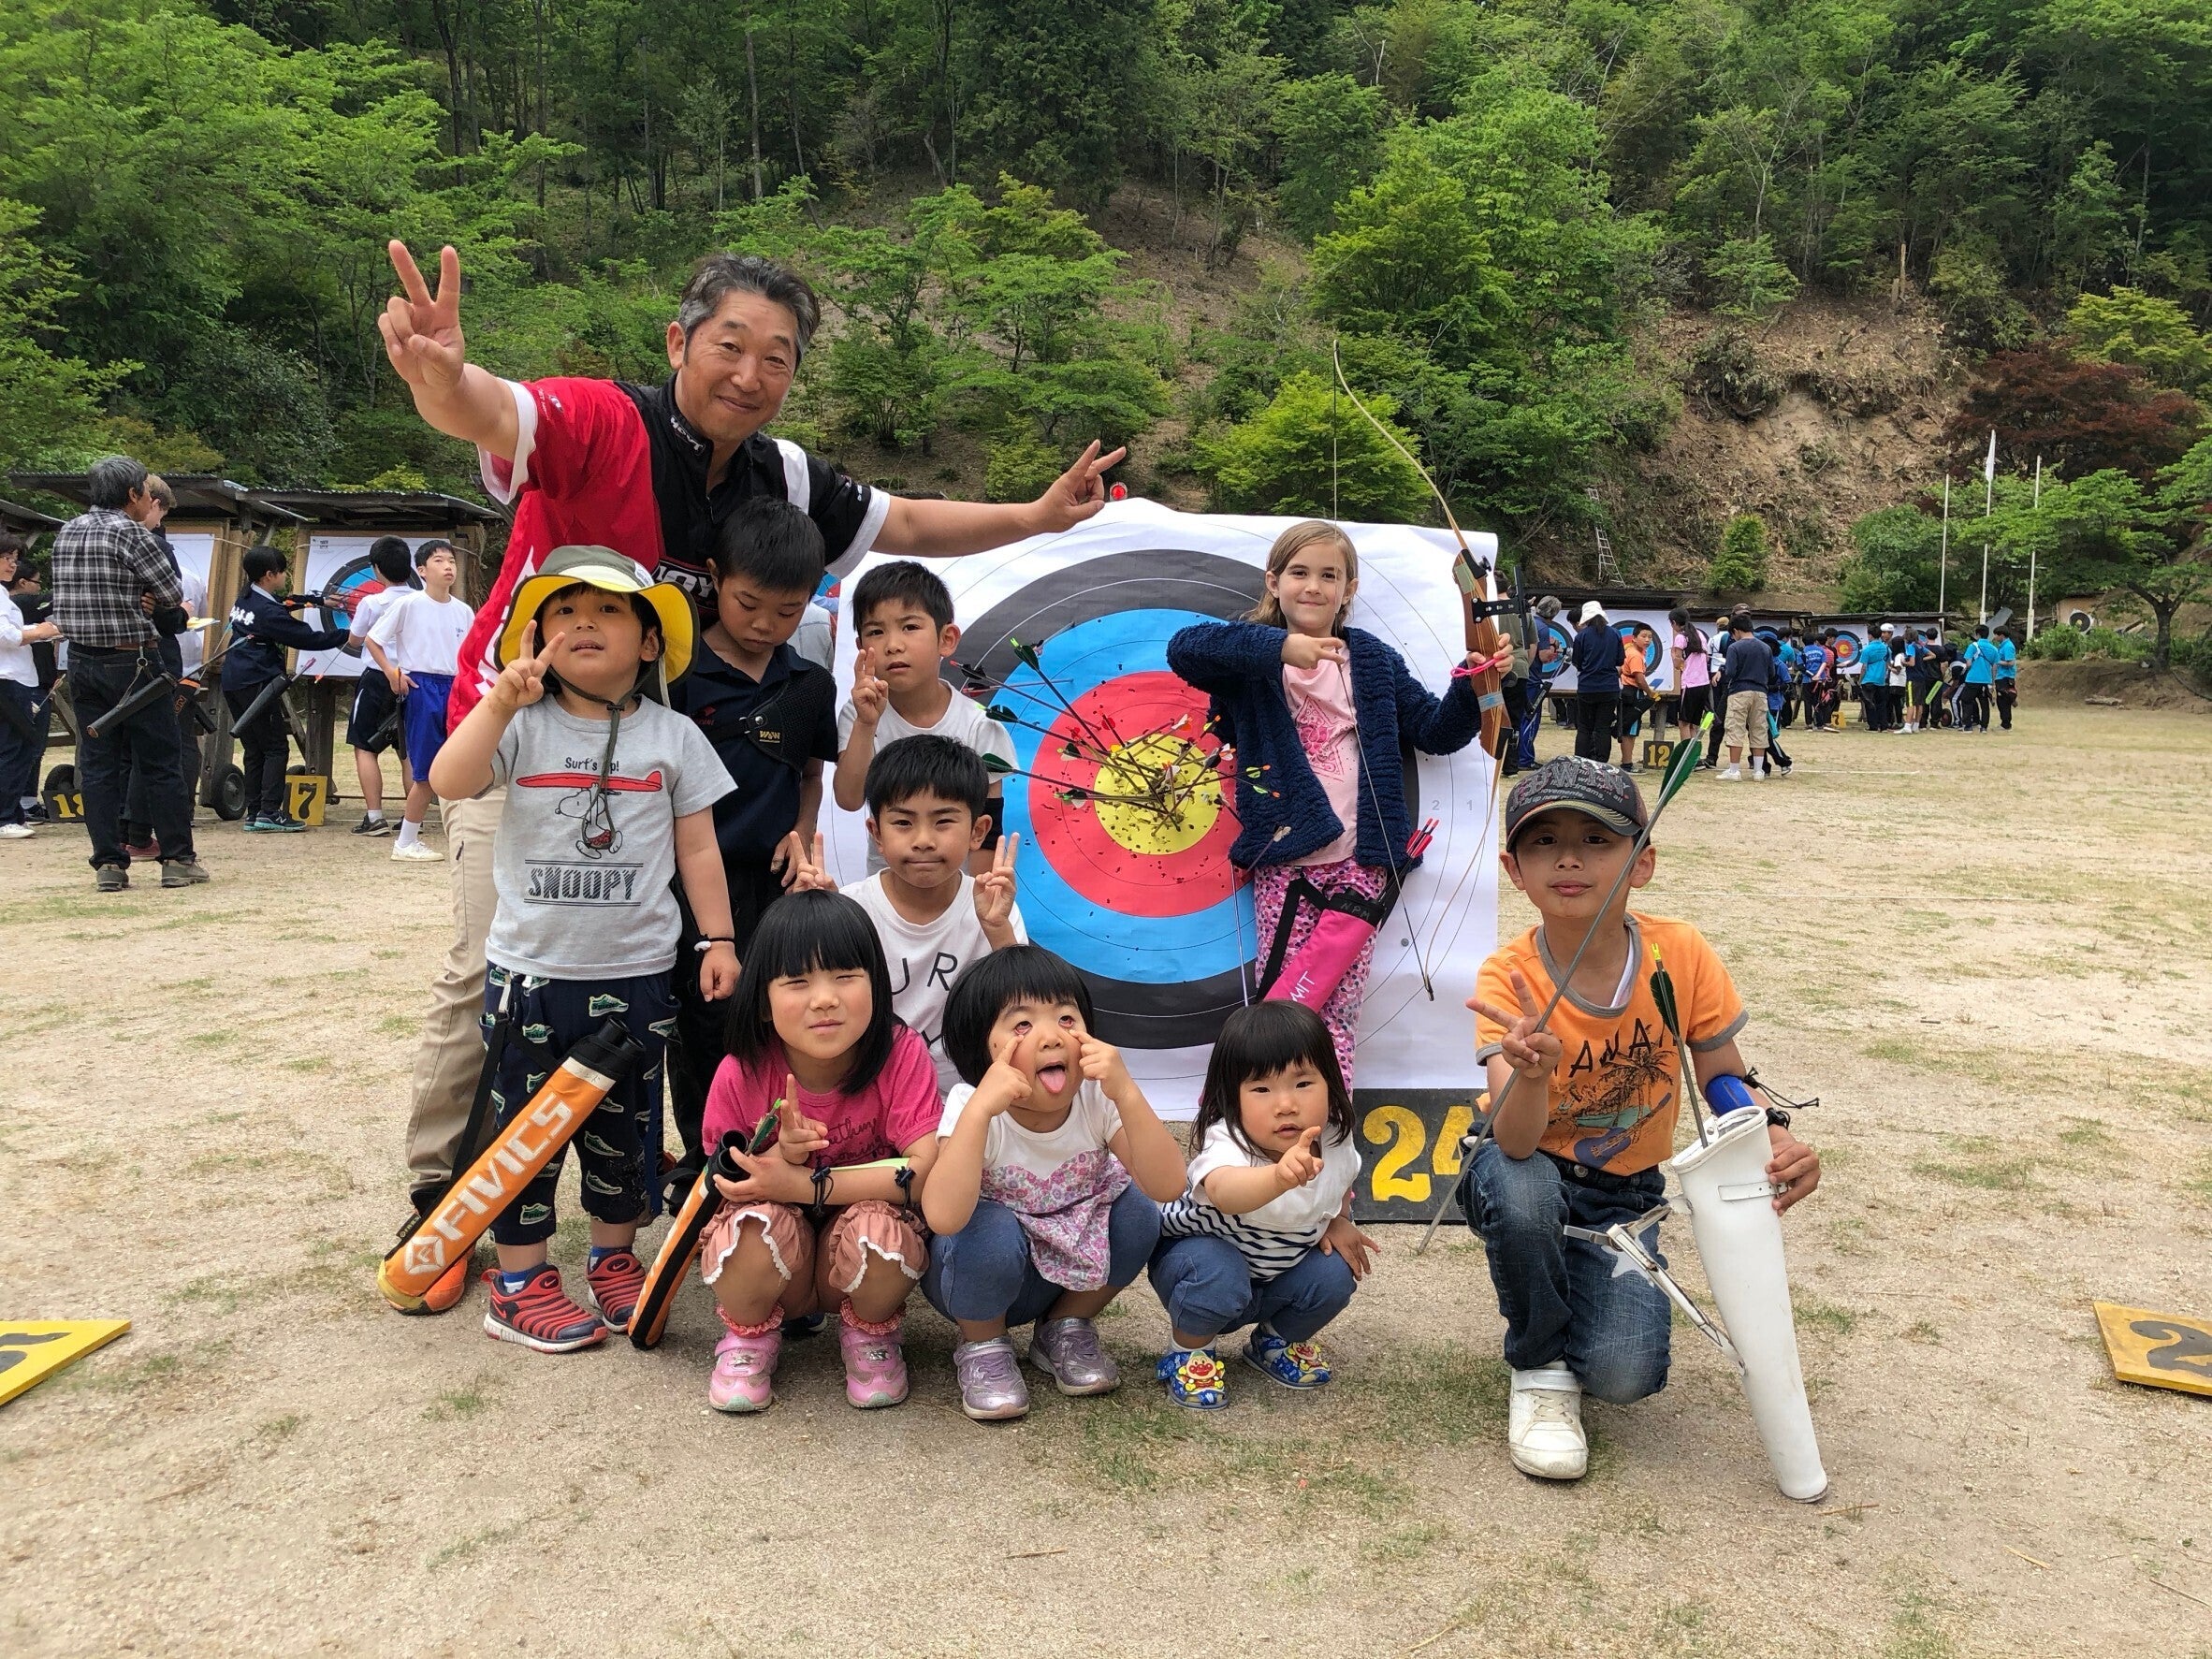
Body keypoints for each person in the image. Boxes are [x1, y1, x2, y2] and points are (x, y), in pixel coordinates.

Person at [376, 242, 1118, 1266]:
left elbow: (902, 519)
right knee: (494, 971)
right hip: (527, 734)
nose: (750, 374)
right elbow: (493, 411)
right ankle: (445, 1197)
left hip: (663, 769)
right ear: (678, 341)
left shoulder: (785, 476)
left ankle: (652, 1188)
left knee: (658, 979)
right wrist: (440, 378)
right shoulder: (606, 420)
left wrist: (1034, 517)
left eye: (778, 357)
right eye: (730, 345)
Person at [1464, 758, 1822, 1480]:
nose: (1569, 858)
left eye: (1597, 840)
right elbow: (1516, 1140)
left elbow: (1721, 1077)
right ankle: (1539, 1366)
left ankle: (1570, 1289)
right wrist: (1530, 1072)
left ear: (1644, 862)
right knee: (1522, 1188)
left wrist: (1774, 1130)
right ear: (1514, 869)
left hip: (1625, 1193)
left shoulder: (1679, 953)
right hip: (1524, 1165)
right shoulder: (1507, 977)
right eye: (1544, 841)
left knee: (1625, 1375)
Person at [427, 546, 738, 1350]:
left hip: (638, 974)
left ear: (649, 642)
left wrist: (719, 938)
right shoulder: (521, 725)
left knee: (626, 1128)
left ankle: (613, 1259)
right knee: (523, 1136)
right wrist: (499, 700)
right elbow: (449, 780)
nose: (583, 623)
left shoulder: (674, 736)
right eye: (563, 611)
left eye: (607, 610)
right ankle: (519, 1281)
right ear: (537, 637)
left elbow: (699, 848)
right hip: (531, 975)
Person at [1167, 520, 1485, 1088]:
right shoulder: (1250, 660)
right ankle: (1265, 1126)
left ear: (1349, 589)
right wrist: (1281, 647)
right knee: (1280, 1008)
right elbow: (1185, 649)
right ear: (1274, 582)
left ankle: (1331, 1131)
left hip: (1363, 866)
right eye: (1299, 573)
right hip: (1286, 863)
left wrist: (1473, 682)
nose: (1313, 586)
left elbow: (1437, 731)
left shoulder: (1372, 659)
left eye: (1329, 576)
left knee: (1336, 1014)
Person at [694, 889, 941, 1413]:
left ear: (877, 984)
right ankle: (748, 1338)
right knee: (748, 1229)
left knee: (882, 1235)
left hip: (851, 1257)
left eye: (845, 976)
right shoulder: (742, 1072)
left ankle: (870, 1332)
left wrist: (807, 1182)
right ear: (762, 1001)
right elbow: (724, 1185)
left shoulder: (900, 1054)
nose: (824, 998)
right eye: (797, 982)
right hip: (779, 1262)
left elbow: (925, 1172)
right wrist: (782, 1157)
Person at [922, 945, 1185, 1421]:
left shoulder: (1096, 1099)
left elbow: (1166, 1186)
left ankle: (1064, 1326)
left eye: (1066, 1018)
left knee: (1139, 1212)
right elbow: (943, 1217)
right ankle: (983, 1346)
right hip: (980, 1275)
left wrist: (1126, 1092)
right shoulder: (970, 1103)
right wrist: (980, 1112)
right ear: (982, 1048)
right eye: (1022, 1025)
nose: (1051, 1037)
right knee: (988, 1227)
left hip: (1066, 1272)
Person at [662, 497, 842, 1188]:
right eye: (748, 604)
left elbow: (810, 776)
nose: (767, 623)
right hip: (690, 885)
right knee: (701, 1022)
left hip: (775, 884)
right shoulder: (675, 679)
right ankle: (706, 1163)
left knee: (777, 1018)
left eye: (789, 611)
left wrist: (801, 833)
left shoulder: (809, 685)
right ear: (714, 577)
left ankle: (780, 1156)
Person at [1148, 1000, 1375, 1410]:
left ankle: (1273, 1342)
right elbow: (1224, 1191)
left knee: (1334, 1274)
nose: (1285, 1104)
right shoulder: (1228, 1140)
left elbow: (1341, 1181)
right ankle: (1190, 1351)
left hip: (1275, 1274)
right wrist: (1277, 1178)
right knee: (1218, 1270)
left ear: (1331, 1082)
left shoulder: (1335, 1138)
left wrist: (1338, 1220)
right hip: (1200, 1267)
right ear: (1232, 1098)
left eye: (1302, 1084)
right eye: (1262, 1089)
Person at [48, 456, 208, 890]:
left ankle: (109, 864)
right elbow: (172, 595)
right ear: (134, 494)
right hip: (134, 663)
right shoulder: (135, 534)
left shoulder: (67, 531)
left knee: (98, 765)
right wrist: (146, 597)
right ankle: (177, 858)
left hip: (81, 661)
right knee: (160, 763)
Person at [839, 736, 1026, 1094]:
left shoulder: (994, 909)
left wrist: (997, 929)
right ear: (877, 834)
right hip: (874, 1097)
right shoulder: (852, 910)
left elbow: (1025, 1008)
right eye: (903, 823)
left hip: (971, 1098)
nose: (923, 840)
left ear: (978, 831)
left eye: (943, 822)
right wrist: (813, 920)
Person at [832, 560, 1014, 869]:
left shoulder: (980, 726)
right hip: (886, 889)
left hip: (957, 892)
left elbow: (987, 831)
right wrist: (866, 724)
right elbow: (849, 800)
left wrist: (979, 895)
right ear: (862, 648)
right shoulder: (860, 714)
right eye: (876, 632)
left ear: (947, 639)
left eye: (910, 627)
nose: (893, 645)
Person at [221, 545, 349, 833]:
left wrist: (318, 601)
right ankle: (269, 812)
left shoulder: (248, 596)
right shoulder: (267, 612)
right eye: (282, 571)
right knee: (275, 747)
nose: (285, 576)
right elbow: (307, 638)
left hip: (236, 679)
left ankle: (255, 811)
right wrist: (349, 635)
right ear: (269, 575)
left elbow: (283, 603)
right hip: (255, 681)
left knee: (255, 748)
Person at [367, 540, 474, 862]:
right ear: (422, 570)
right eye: (439, 561)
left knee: (464, 765)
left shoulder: (464, 611)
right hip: (423, 687)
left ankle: (467, 837)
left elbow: (471, 655)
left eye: (451, 560)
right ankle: (406, 841)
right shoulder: (409, 604)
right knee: (426, 772)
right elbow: (373, 640)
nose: (448, 567)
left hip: (455, 688)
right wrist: (392, 673)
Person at [121, 474, 198, 860]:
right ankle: (141, 835)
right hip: (154, 658)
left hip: (109, 657)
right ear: (151, 504)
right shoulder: (153, 545)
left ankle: (121, 835)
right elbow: (168, 613)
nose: (158, 521)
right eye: (161, 513)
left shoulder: (94, 537)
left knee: (121, 750)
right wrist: (180, 612)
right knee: (157, 750)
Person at [341, 536, 419, 837]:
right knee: (408, 751)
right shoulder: (422, 601)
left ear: (376, 569)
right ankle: (413, 820)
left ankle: (374, 817)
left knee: (364, 747)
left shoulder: (371, 602)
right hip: (412, 680)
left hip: (378, 678)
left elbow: (354, 639)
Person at [0, 535, 61, 840]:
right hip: (9, 679)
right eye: (6, 558)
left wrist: (44, 631)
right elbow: (5, 636)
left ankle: (12, 813)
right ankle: (4, 816)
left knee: (20, 747)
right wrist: (38, 632)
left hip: (18, 677)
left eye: (14, 559)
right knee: (14, 748)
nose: (12, 564)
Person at [1718, 614, 1774, 781]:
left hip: (1739, 691)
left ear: (1736, 631)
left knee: (1735, 729)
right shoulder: (1766, 648)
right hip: (1761, 692)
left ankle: (1734, 770)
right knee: (1759, 730)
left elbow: (1730, 672)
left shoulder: (1734, 648)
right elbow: (1772, 673)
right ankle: (1758, 771)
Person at [1567, 600, 1622, 763]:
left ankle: (1581, 761)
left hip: (1587, 687)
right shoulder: (1615, 633)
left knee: (1584, 728)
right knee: (1603, 728)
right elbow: (1620, 660)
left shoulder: (1581, 636)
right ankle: (1602, 761)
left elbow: (1577, 662)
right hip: (1610, 687)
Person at [1615, 621, 1655, 771]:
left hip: (1628, 691)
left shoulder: (1633, 652)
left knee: (1627, 727)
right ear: (1634, 638)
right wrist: (1650, 693)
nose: (1647, 640)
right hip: (1632, 692)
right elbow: (1639, 678)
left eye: (1650, 637)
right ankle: (1627, 764)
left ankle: (1626, 761)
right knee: (1629, 730)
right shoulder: (1635, 655)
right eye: (1643, 636)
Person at [1667, 608, 1710, 744]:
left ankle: (1685, 752)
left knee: (1683, 723)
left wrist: (1673, 655)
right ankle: (1693, 753)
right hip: (1704, 683)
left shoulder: (1681, 637)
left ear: (1674, 622)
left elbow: (1677, 663)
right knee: (1694, 724)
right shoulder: (1700, 634)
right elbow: (1706, 658)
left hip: (1690, 684)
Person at [1960, 624, 2000, 732]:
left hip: (1972, 678)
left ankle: (1968, 726)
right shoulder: (1994, 649)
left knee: (1967, 700)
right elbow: (1995, 667)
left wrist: (1967, 669)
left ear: (1977, 634)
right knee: (1984, 703)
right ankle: (1984, 727)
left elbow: (1968, 663)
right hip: (1986, 679)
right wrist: (1992, 682)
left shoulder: (1973, 646)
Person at [1856, 624, 1892, 733]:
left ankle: (1873, 726)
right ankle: (1883, 726)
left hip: (1868, 679)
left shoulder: (1867, 649)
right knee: (1881, 704)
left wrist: (1860, 680)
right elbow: (1887, 664)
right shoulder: (1886, 648)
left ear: (1870, 635)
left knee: (1869, 703)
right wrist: (1883, 674)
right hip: (1881, 680)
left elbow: (1864, 667)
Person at [1993, 626, 2018, 731]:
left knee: (2004, 701)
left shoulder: (2008, 646)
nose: (1995, 637)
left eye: (1996, 635)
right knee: (2000, 701)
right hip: (2000, 676)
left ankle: (2006, 724)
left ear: (2002, 635)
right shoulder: (2001, 646)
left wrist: (1997, 661)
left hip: (2006, 677)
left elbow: (2011, 662)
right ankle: (2004, 721)